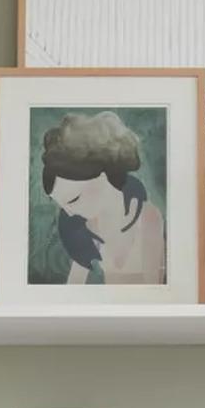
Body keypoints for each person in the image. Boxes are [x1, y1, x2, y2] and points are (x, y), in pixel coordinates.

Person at [42, 111, 165, 285]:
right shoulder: (92, 224)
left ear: (102, 177)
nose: (70, 214)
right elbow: (74, 284)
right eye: (64, 207)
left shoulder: (148, 218)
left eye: (74, 200)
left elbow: (156, 288)